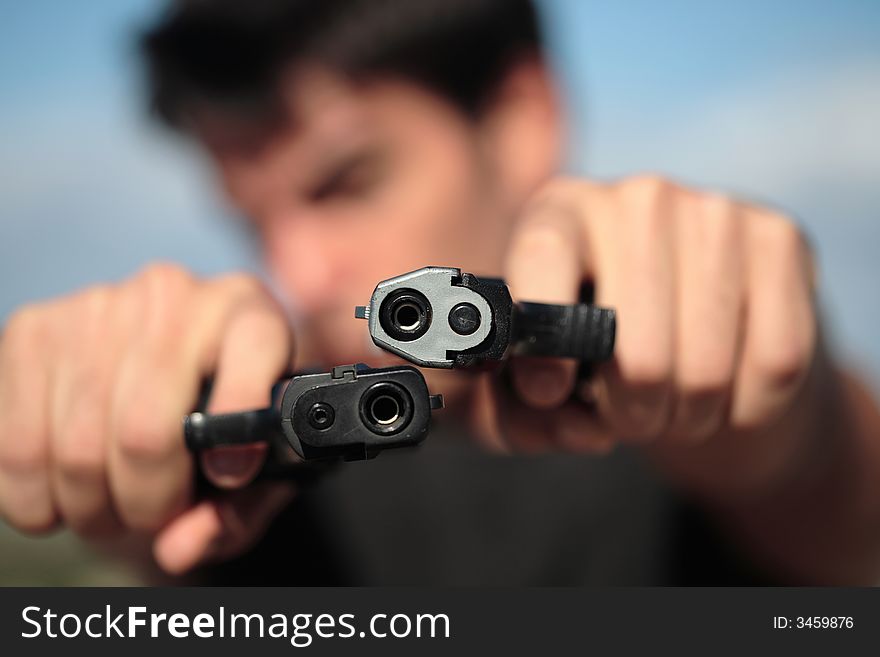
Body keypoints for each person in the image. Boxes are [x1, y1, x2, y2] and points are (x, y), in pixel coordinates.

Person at [1, 0, 879, 585]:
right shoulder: (263, 473)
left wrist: (787, 422)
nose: (298, 274)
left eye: (346, 183)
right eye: (252, 221)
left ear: (520, 117)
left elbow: (835, 500)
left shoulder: (696, 437)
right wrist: (137, 470)